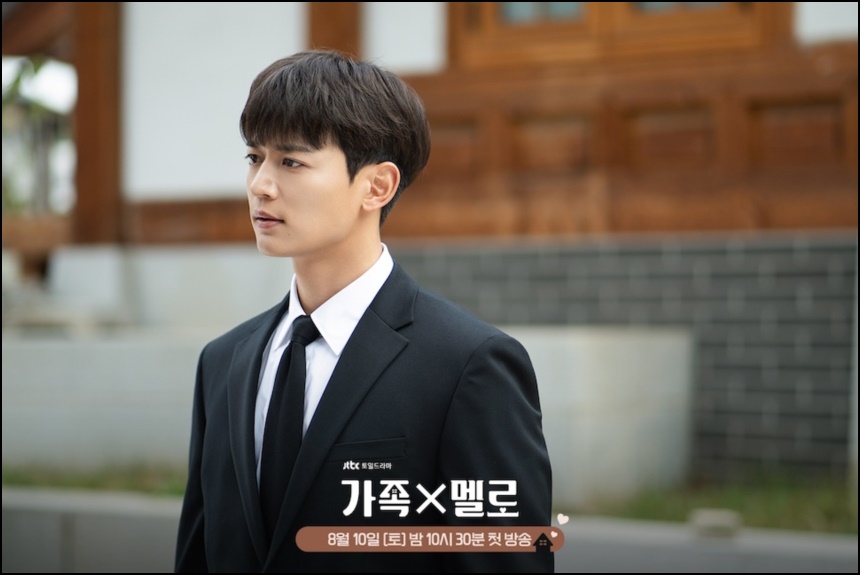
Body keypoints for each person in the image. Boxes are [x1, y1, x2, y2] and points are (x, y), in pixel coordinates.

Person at [174, 49, 553, 573]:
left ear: (377, 186)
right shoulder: (223, 362)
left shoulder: (468, 365)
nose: (260, 184)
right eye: (254, 158)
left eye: (291, 162)